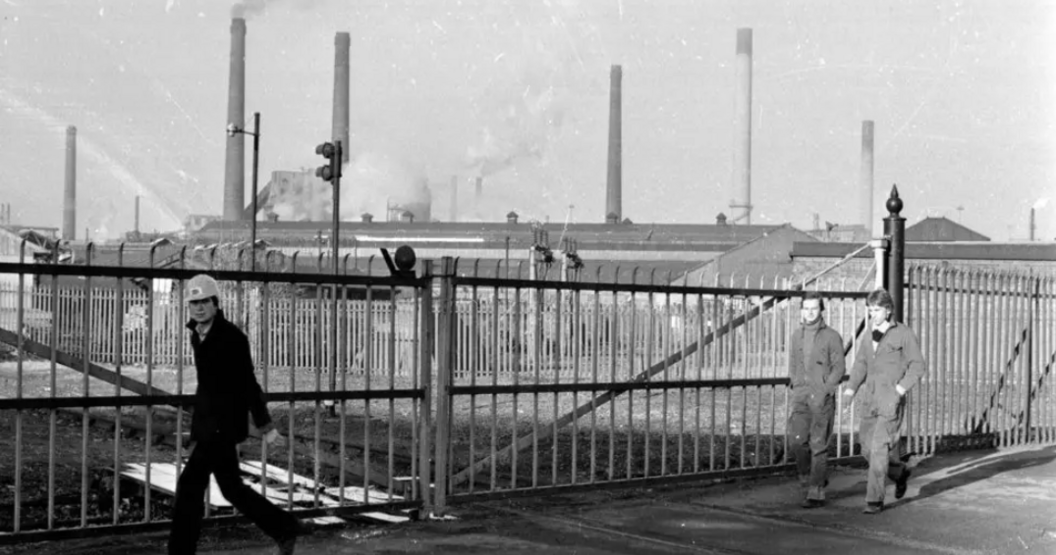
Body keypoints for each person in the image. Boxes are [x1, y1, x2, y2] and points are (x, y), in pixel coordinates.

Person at [169, 274, 299, 555]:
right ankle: (284, 528)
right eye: (194, 303)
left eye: (204, 302)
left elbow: (248, 383)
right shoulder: (197, 334)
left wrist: (265, 425)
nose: (199, 308)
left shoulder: (232, 338)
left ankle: (180, 551)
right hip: (208, 423)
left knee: (191, 486)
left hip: (222, 426)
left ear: (216, 303)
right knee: (231, 488)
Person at [843, 288, 925, 514]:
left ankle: (874, 500)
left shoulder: (903, 334)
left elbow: (918, 366)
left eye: (877, 310)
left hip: (890, 400)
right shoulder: (869, 334)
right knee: (866, 448)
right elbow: (860, 363)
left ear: (888, 310)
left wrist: (899, 389)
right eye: (870, 310)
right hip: (870, 398)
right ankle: (899, 473)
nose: (873, 315)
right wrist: (850, 390)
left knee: (879, 448)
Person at [787, 291, 845, 508]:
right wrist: (796, 384)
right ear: (801, 310)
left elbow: (839, 367)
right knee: (797, 441)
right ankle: (809, 477)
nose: (810, 312)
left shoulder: (831, 336)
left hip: (822, 398)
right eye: (806, 308)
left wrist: (826, 390)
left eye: (814, 308)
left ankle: (816, 491)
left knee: (818, 444)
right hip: (801, 396)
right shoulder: (796, 336)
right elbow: (793, 363)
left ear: (821, 310)